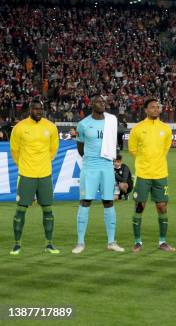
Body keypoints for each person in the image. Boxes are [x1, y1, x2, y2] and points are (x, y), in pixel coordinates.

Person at [72, 95, 125, 254]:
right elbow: (80, 149)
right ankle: (80, 243)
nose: (102, 104)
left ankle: (111, 241)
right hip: (90, 167)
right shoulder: (83, 124)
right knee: (85, 202)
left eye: (104, 102)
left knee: (108, 202)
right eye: (98, 102)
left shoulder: (111, 121)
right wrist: (92, 159)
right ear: (91, 104)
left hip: (107, 167)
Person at [9, 100, 60, 255]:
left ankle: (49, 244)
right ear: (30, 109)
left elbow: (53, 149)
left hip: (45, 175)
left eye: (41, 109)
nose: (39, 111)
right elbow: (14, 151)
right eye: (36, 109)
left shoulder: (50, 127)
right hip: (26, 175)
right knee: (20, 211)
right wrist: (25, 165)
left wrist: (42, 163)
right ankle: (17, 244)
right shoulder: (19, 128)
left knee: (48, 211)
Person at [128, 98, 175, 252]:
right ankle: (137, 242)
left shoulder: (166, 129)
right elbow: (132, 150)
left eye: (157, 107)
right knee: (140, 206)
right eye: (152, 107)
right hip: (143, 174)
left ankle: (162, 241)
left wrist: (156, 161)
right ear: (146, 110)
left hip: (161, 174)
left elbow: (166, 147)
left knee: (162, 207)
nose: (156, 109)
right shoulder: (137, 128)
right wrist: (144, 162)